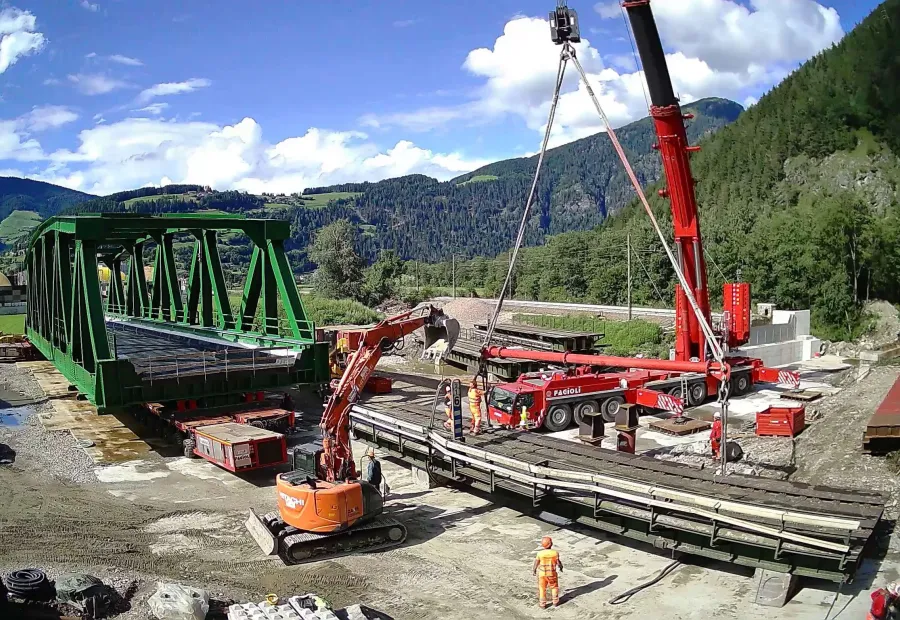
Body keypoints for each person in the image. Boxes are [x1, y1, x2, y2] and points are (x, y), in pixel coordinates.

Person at [533, 536, 563, 608]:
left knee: (542, 588)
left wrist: (534, 570)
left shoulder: (540, 553)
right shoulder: (555, 553)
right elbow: (558, 563)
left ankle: (542, 604)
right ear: (551, 544)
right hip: (552, 573)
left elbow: (536, 562)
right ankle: (555, 602)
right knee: (554, 587)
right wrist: (561, 567)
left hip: (542, 574)